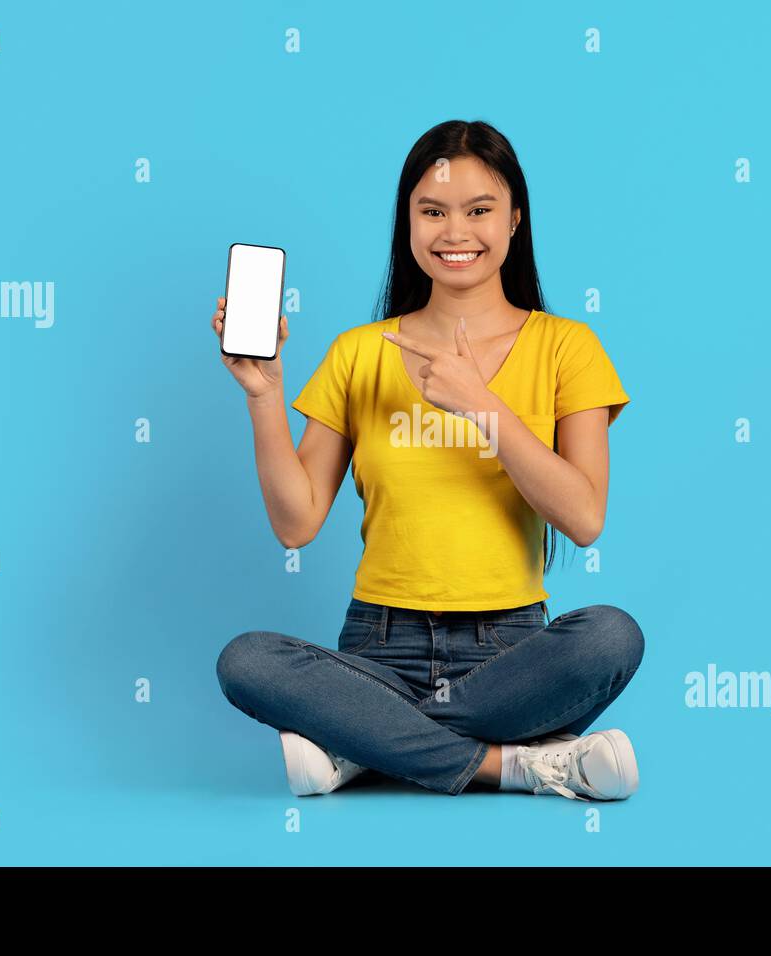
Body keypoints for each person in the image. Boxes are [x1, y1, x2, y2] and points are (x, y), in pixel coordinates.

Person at [212, 119, 645, 801]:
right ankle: (516, 765)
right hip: (378, 650)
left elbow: (584, 516)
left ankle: (363, 744)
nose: (455, 232)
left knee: (610, 637)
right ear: (408, 223)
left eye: (479, 211)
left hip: (511, 659)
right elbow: (296, 524)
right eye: (432, 211)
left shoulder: (568, 347)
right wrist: (264, 396)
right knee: (245, 661)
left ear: (514, 222)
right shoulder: (360, 352)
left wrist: (483, 405)